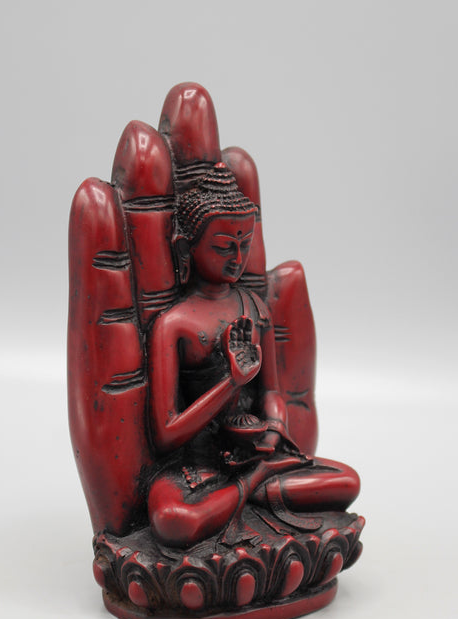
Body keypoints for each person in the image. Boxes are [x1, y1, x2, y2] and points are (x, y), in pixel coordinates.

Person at [147, 163, 360, 548]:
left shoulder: (255, 307)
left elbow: (271, 392)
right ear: (185, 247)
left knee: (346, 481)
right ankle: (252, 489)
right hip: (198, 469)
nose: (237, 257)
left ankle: (245, 494)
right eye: (223, 246)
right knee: (172, 521)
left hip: (256, 452)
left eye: (244, 244)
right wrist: (232, 382)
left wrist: (273, 431)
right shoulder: (172, 324)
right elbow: (165, 434)